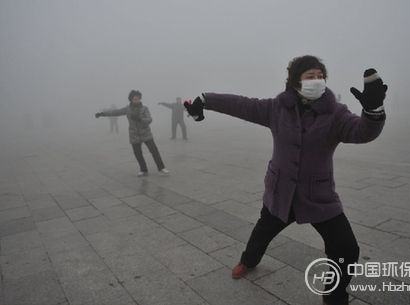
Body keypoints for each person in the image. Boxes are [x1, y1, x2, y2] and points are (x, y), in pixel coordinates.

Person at [184, 55, 387, 305]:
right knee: (262, 232)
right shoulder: (276, 109)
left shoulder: (335, 114)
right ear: (295, 82)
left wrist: (373, 111)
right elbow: (241, 104)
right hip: (281, 192)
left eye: (320, 76)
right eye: (310, 76)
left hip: (319, 196)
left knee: (346, 248)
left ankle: (335, 295)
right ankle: (248, 261)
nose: (317, 80)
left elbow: (362, 132)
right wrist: (206, 99)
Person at [95, 90, 170, 177]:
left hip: (146, 134)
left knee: (154, 151)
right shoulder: (127, 109)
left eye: (138, 98)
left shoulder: (144, 108)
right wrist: (102, 114)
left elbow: (149, 119)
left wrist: (140, 119)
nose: (136, 100)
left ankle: (161, 168)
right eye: (134, 99)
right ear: (131, 99)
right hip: (134, 134)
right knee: (138, 153)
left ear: (140, 99)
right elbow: (115, 112)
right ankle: (143, 170)